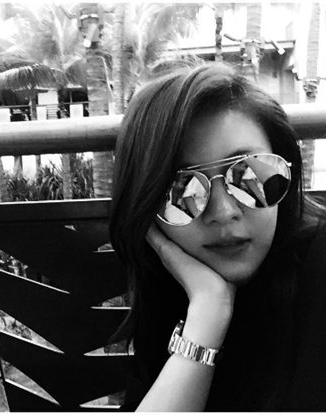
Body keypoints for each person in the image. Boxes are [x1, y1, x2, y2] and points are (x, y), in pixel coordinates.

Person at [109, 60, 326, 411]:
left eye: (250, 174)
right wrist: (208, 311)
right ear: (147, 209)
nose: (224, 212)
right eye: (182, 190)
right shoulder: (169, 289)